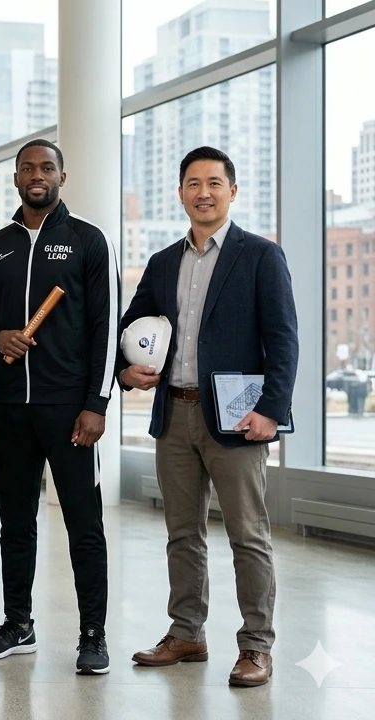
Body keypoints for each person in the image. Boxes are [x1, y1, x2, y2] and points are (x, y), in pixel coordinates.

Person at [117, 146, 296, 688]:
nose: (204, 192)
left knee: (248, 535)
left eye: (214, 183)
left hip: (238, 419)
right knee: (182, 534)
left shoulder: (261, 256)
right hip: (174, 413)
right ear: (180, 193)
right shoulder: (162, 262)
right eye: (193, 183)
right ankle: (187, 633)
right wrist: (127, 370)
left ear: (232, 191)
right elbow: (131, 327)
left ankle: (256, 646)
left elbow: (283, 339)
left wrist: (271, 411)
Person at [0, 139, 118, 675]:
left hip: (70, 410)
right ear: (15, 179)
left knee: (84, 524)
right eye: (28, 168)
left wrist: (97, 403)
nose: (37, 175)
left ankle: (93, 633)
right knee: (15, 523)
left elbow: (106, 328)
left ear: (62, 177)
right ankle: (18, 624)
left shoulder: (88, 240)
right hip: (12, 407)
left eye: (47, 167)